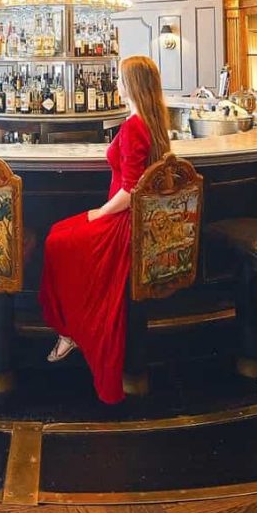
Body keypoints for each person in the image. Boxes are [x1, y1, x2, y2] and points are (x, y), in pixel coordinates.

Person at [39, 55, 171, 404]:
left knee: (57, 240)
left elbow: (129, 190)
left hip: (123, 222)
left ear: (133, 86)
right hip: (140, 221)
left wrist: (99, 214)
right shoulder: (154, 122)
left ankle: (73, 329)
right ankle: (72, 329)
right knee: (60, 236)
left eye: (122, 79)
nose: (117, 83)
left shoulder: (133, 128)